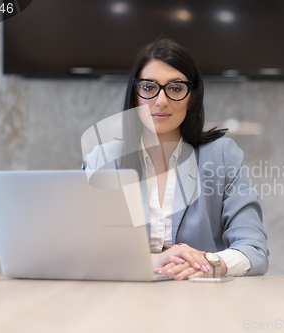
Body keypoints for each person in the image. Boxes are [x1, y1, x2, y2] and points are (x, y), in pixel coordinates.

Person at [85, 38, 268, 280]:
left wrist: (208, 263)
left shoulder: (222, 155)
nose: (161, 101)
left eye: (175, 88)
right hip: (123, 299)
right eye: (149, 87)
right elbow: (85, 249)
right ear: (135, 94)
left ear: (192, 96)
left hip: (201, 299)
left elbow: (254, 249)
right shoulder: (103, 159)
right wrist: (153, 261)